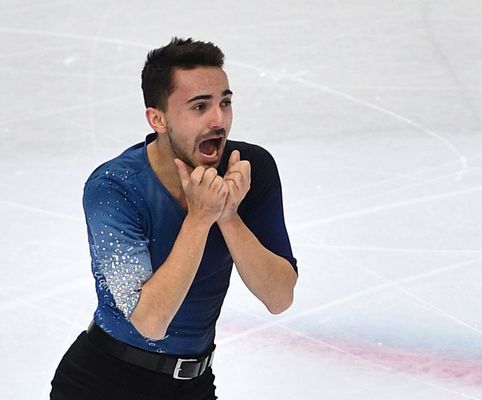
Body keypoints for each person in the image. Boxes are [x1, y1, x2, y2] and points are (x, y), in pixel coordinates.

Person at [50, 37, 298, 400]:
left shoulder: (248, 168)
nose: (219, 120)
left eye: (224, 103)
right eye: (200, 107)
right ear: (158, 118)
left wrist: (228, 216)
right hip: (104, 385)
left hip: (193, 385)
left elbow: (280, 297)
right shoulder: (115, 188)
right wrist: (200, 219)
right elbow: (150, 321)